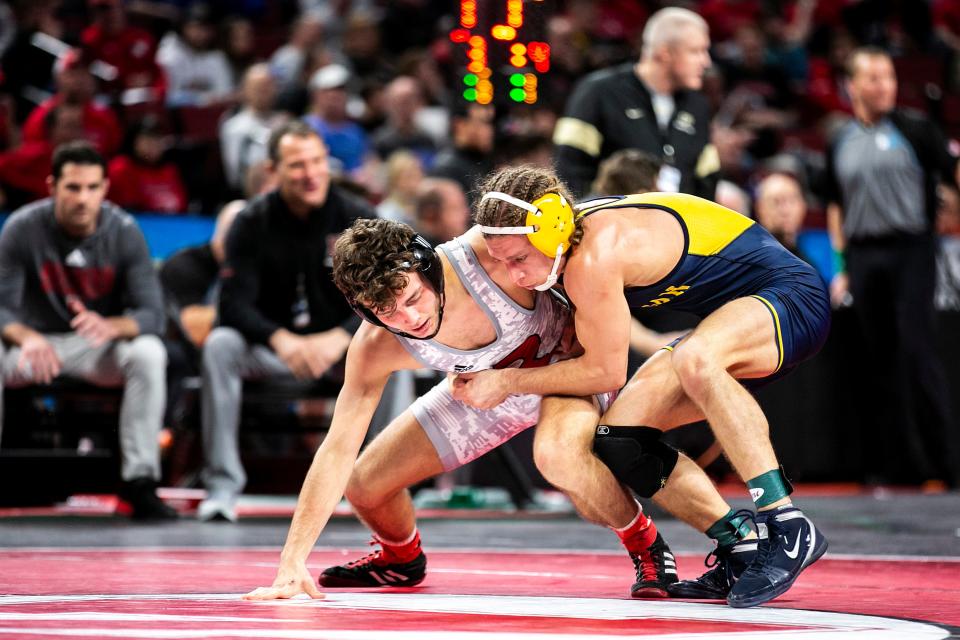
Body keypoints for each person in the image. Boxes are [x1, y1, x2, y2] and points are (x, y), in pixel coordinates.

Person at [243, 217, 681, 602]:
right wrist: (292, 561)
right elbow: (337, 447)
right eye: (386, 312)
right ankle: (400, 559)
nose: (409, 319)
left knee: (559, 457)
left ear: (426, 268)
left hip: (560, 371)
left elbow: (572, 231)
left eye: (412, 298)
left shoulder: (487, 255)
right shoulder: (377, 344)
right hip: (482, 391)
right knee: (364, 484)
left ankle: (646, 545)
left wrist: (584, 315)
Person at [458, 165, 832, 608]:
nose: (515, 275)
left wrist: (505, 381)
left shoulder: (593, 257)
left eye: (518, 260)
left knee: (698, 357)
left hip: (791, 297)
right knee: (621, 442)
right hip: (735, 318)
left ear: (551, 228)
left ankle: (786, 523)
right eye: (503, 262)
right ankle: (741, 543)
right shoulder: (567, 243)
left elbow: (605, 375)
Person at [197, 121, 377, 522]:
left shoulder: (359, 218)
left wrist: (341, 336)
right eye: (297, 165)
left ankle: (374, 485)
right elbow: (232, 304)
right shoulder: (250, 222)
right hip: (275, 351)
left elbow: (385, 297)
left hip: (343, 354)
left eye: (317, 162)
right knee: (220, 345)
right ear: (273, 171)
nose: (311, 174)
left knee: (394, 350)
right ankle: (222, 488)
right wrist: (280, 339)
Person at [0, 141, 175, 520]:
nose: (83, 198)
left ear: (105, 189)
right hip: (32, 347)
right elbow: (1, 308)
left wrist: (112, 325)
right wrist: (26, 336)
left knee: (148, 352)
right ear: (52, 187)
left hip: (94, 347)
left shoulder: (125, 230)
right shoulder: (21, 228)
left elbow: (153, 314)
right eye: (73, 188)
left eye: (93, 188)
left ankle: (140, 481)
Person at [825, 47, 960, 487]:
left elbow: (951, 171)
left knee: (917, 352)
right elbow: (835, 204)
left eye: (888, 77)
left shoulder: (915, 129)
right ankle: (893, 467)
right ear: (852, 86)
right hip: (864, 255)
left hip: (912, 249)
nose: (884, 85)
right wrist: (842, 263)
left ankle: (947, 465)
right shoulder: (840, 140)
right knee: (875, 360)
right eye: (874, 77)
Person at [552, 7, 718, 199]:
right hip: (613, 218)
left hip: (678, 221)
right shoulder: (598, 92)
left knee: (731, 197)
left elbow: (708, 179)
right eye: (695, 51)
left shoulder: (697, 106)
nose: (706, 62)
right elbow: (568, 167)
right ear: (665, 53)